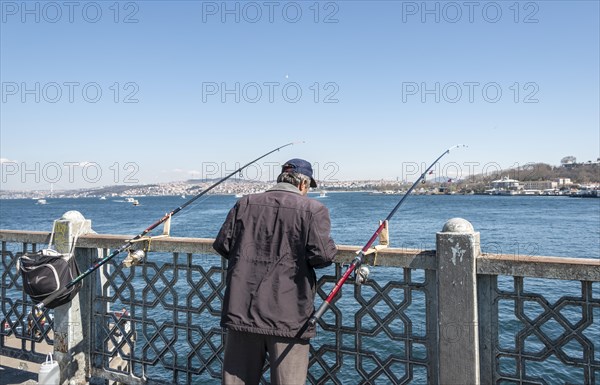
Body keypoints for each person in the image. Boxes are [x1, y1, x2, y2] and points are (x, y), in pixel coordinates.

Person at [213, 158, 337, 385]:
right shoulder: (313, 210)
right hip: (288, 319)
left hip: (242, 312)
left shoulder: (245, 203)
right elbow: (322, 257)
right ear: (303, 185)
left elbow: (223, 245)